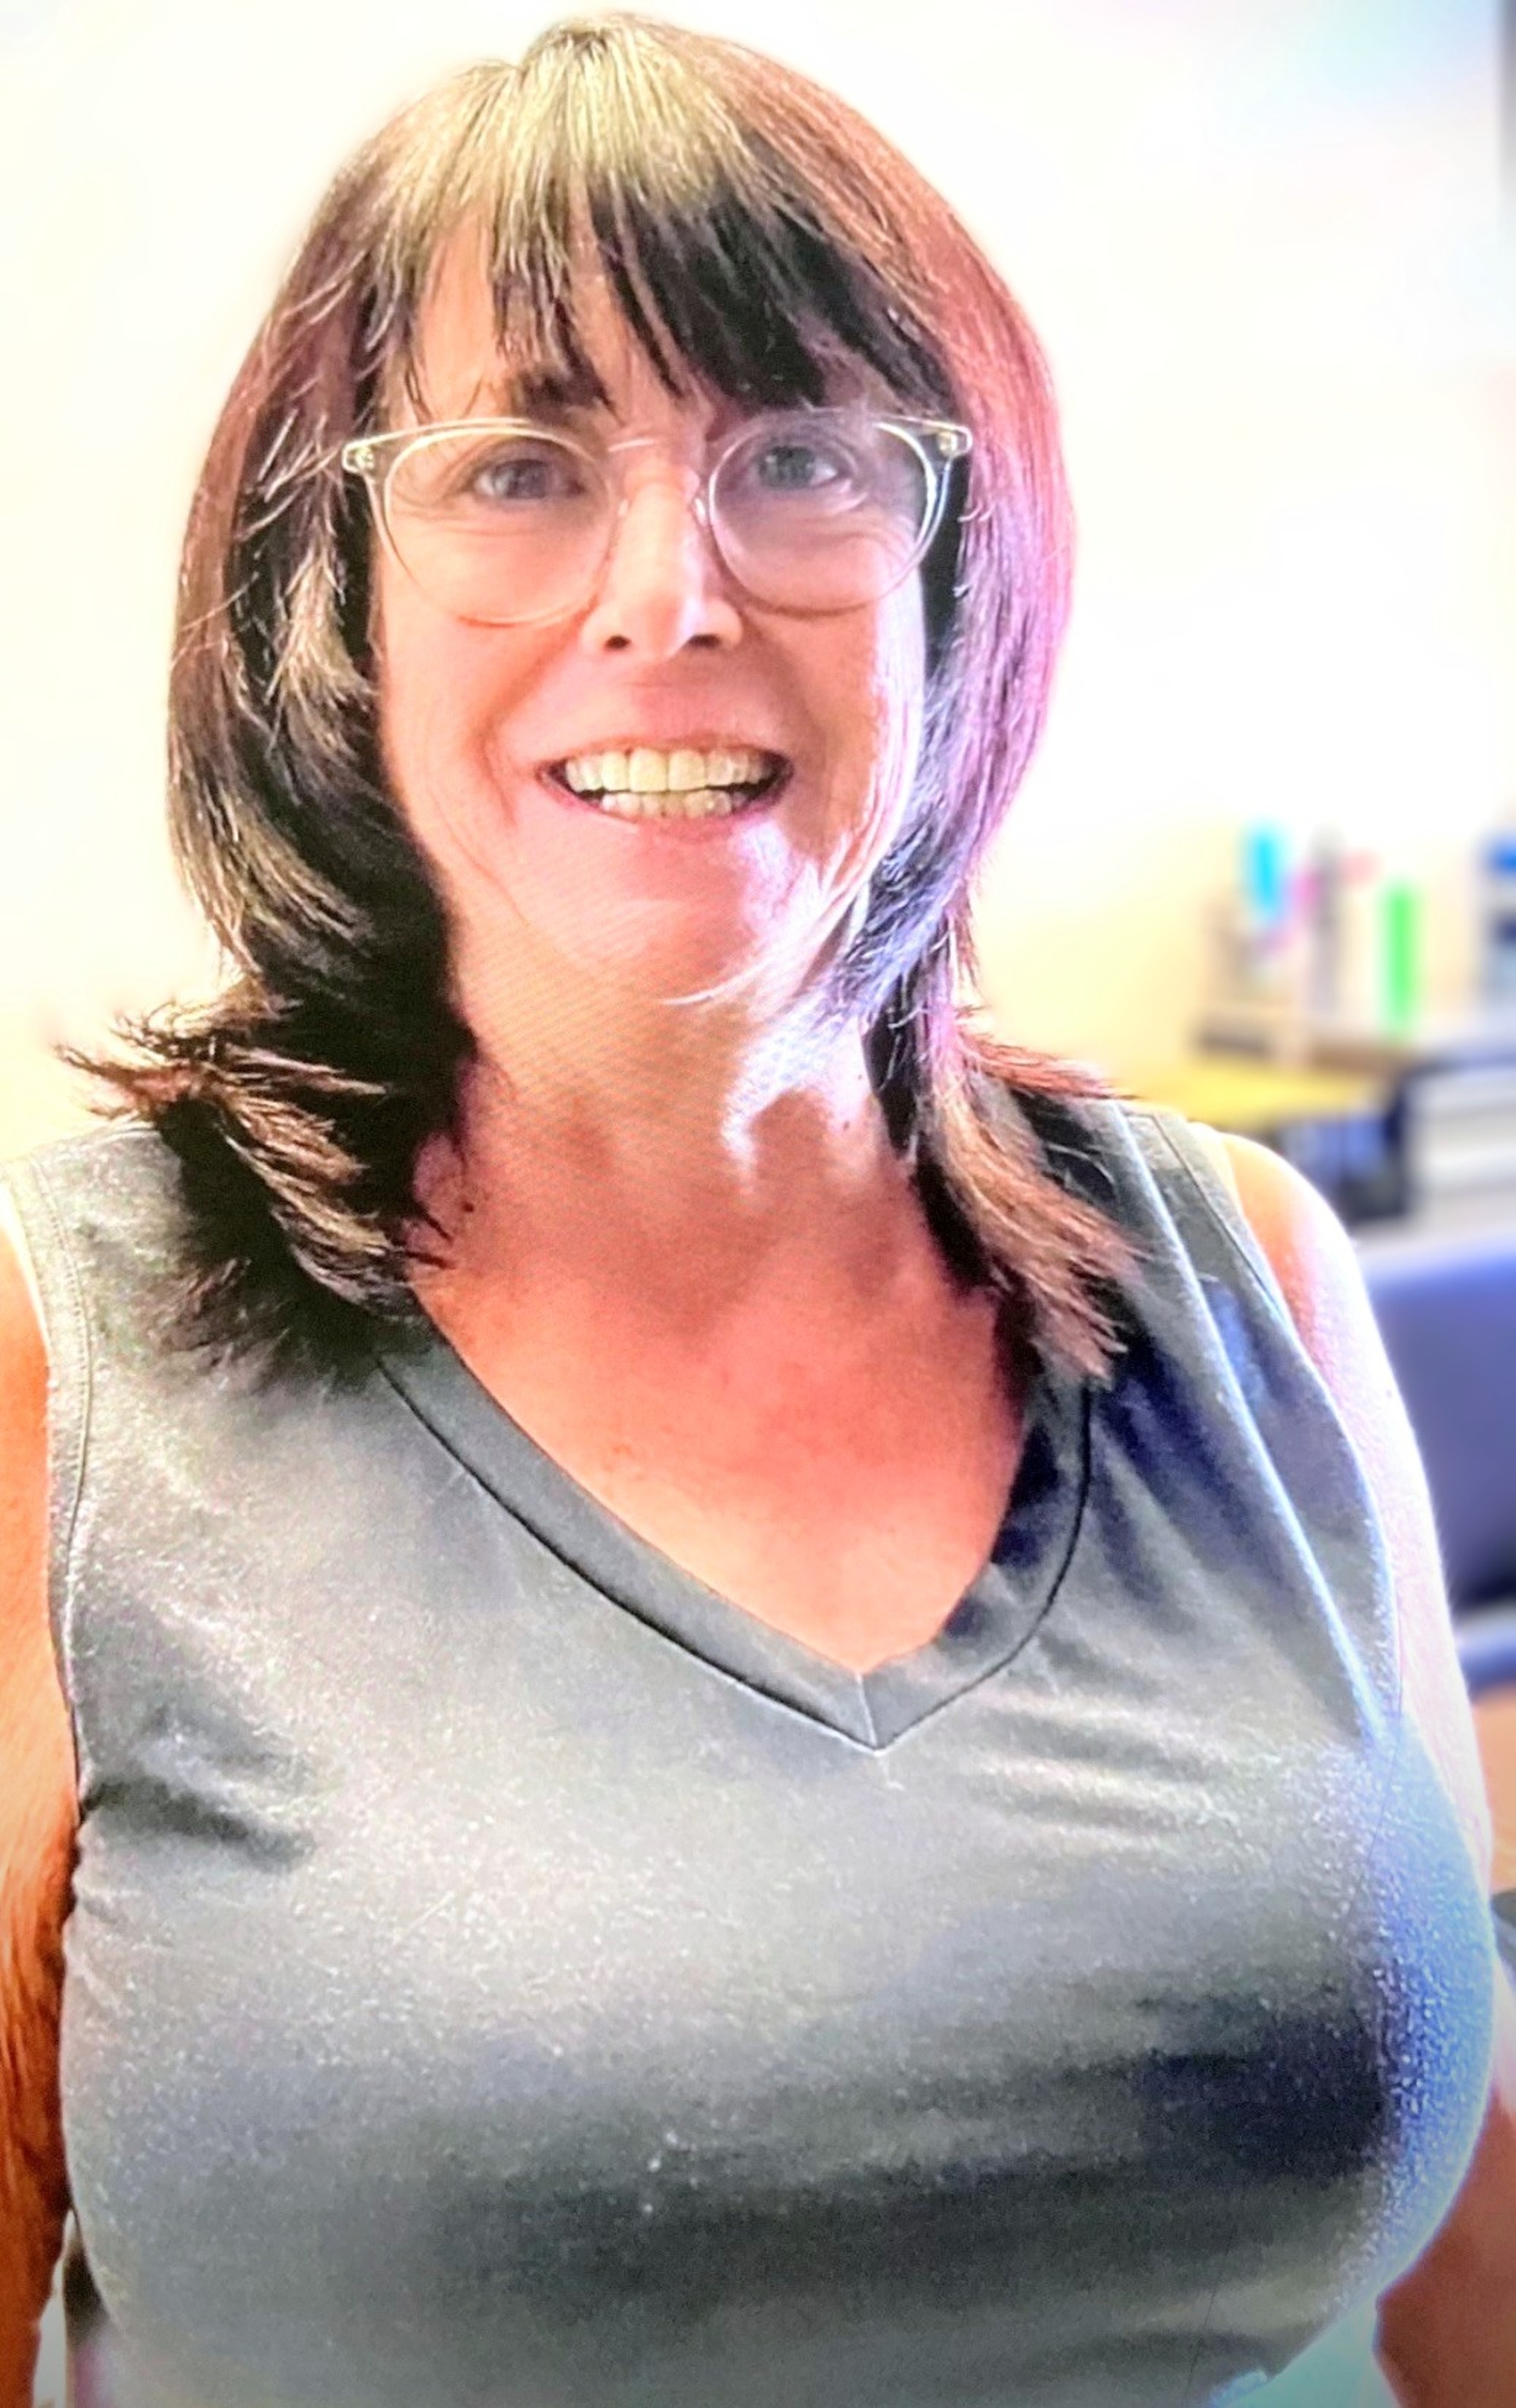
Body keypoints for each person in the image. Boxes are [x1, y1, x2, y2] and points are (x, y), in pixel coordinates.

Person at [2, 14, 1513, 2405]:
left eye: (800, 455)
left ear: (953, 572)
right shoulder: (64, 1358)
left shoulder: (1255, 1282)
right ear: (332, 598)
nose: (667, 593)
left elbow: (1476, 2237)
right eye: (516, 468)